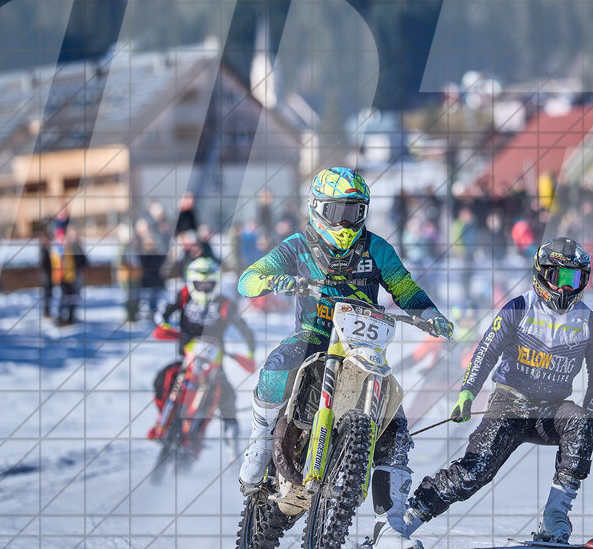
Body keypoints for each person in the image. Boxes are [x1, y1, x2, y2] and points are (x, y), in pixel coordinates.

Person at [236, 167, 453, 548]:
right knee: (277, 364)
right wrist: (274, 279)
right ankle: (261, 439)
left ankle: (391, 525)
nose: (346, 221)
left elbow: (404, 287)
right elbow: (248, 278)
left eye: (355, 212)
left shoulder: (377, 248)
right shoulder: (298, 245)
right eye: (338, 212)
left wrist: (429, 313)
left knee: (396, 426)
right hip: (315, 337)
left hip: (362, 347)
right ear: (318, 208)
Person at [400, 237, 593, 546]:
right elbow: (486, 351)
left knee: (581, 422)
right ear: (541, 275)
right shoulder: (519, 307)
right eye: (558, 277)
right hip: (510, 404)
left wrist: (590, 417)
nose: (566, 288)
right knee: (475, 471)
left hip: (552, 411)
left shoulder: (591, 323)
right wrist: (467, 394)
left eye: (574, 279)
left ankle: (555, 518)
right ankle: (408, 519)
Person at [149, 257, 256, 443]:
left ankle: (231, 434)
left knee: (228, 395)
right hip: (187, 360)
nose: (204, 287)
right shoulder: (184, 296)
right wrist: (165, 327)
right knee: (162, 380)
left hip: (214, 363)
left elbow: (245, 329)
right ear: (191, 282)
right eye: (200, 284)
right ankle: (162, 420)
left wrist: (250, 353)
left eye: (209, 284)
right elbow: (162, 314)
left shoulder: (224, 303)